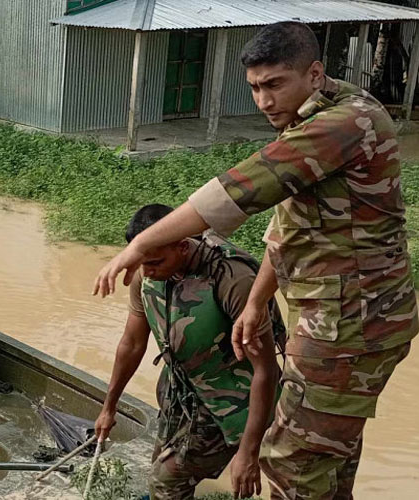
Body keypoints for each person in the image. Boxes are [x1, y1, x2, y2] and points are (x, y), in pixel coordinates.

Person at [93, 22, 417, 499]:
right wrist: (256, 303)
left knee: (291, 463)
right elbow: (288, 227)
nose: (263, 101)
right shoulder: (319, 109)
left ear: (314, 73)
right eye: (254, 88)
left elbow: (238, 190)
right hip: (352, 317)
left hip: (351, 323)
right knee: (332, 457)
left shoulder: (342, 124)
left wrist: (139, 247)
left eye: (275, 85)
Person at [93, 205, 282, 499]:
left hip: (232, 399)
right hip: (183, 391)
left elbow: (266, 370)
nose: (147, 272)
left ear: (183, 246)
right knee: (162, 467)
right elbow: (131, 343)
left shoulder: (231, 279)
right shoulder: (148, 271)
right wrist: (109, 407)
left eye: (155, 262)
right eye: (141, 262)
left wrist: (248, 452)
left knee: (165, 482)